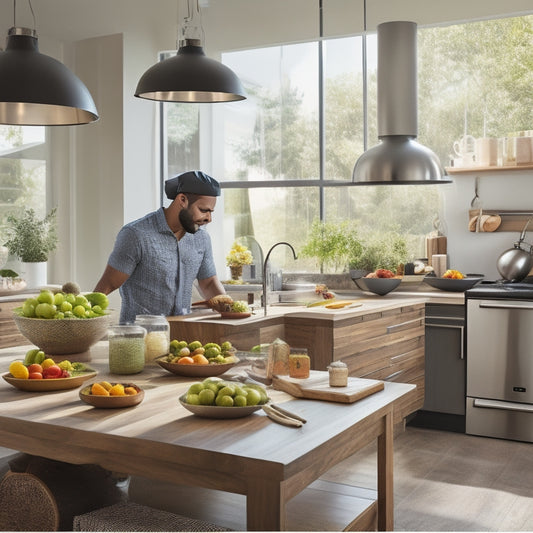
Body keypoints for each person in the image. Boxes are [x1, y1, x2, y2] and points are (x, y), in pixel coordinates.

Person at [94, 170, 226, 323]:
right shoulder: (136, 234)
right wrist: (82, 320)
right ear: (182, 199)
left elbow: (208, 282)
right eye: (204, 210)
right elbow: (108, 284)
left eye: (211, 212)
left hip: (182, 335)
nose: (209, 219)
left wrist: (230, 307)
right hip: (139, 336)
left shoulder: (202, 239)